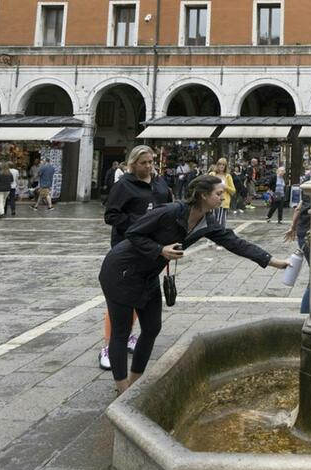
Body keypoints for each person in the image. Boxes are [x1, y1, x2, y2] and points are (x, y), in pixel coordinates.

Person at [98, 174, 289, 393]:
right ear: (203, 195)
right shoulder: (170, 211)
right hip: (120, 272)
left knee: (152, 328)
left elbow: (235, 243)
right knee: (121, 333)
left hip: (147, 276)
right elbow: (132, 232)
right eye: (219, 193)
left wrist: (273, 261)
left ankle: (135, 382)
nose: (222, 197)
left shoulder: (206, 220)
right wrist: (160, 250)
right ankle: (122, 390)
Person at [98, 145, 172, 370]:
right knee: (121, 298)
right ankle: (109, 344)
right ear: (133, 164)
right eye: (143, 163)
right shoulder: (123, 186)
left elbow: (167, 206)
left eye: (151, 162)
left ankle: (129, 336)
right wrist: (138, 226)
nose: (148, 166)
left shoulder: (160, 183)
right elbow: (111, 215)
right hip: (127, 249)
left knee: (143, 293)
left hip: (152, 250)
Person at [285, 184, 311, 313]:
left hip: (302, 235)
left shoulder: (305, 199)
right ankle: (305, 311)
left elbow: (297, 209)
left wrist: (292, 227)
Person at [210, 158, 236, 228]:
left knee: (221, 223)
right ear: (217, 165)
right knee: (212, 221)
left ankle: (220, 237)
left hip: (223, 202)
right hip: (213, 201)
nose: (221, 166)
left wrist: (225, 187)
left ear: (225, 166)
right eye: (220, 164)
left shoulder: (228, 176)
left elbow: (233, 191)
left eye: (223, 165)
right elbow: (207, 186)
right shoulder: (212, 174)